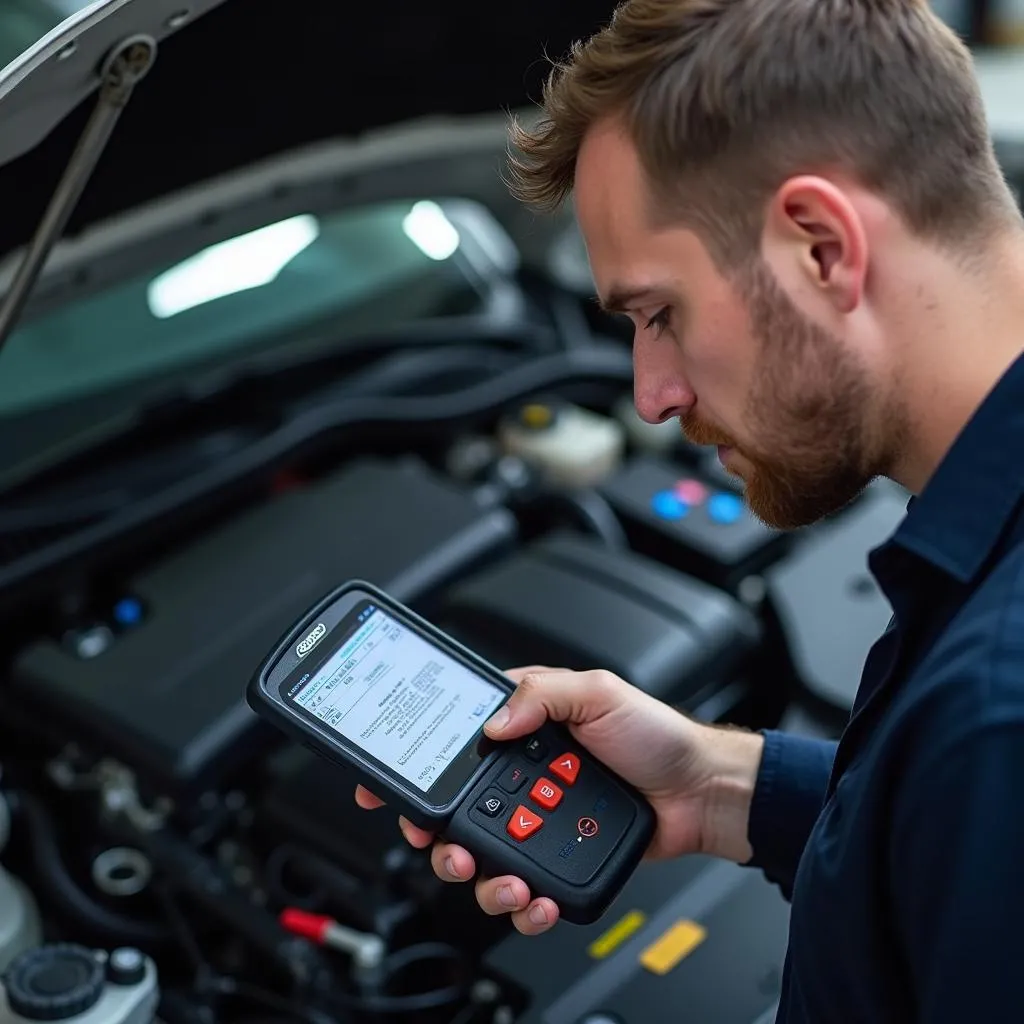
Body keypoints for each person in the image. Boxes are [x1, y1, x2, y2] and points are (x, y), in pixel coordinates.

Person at [356, 0, 1024, 1019]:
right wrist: (722, 787)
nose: (651, 395)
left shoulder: (992, 719)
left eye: (658, 315)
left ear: (820, 247)